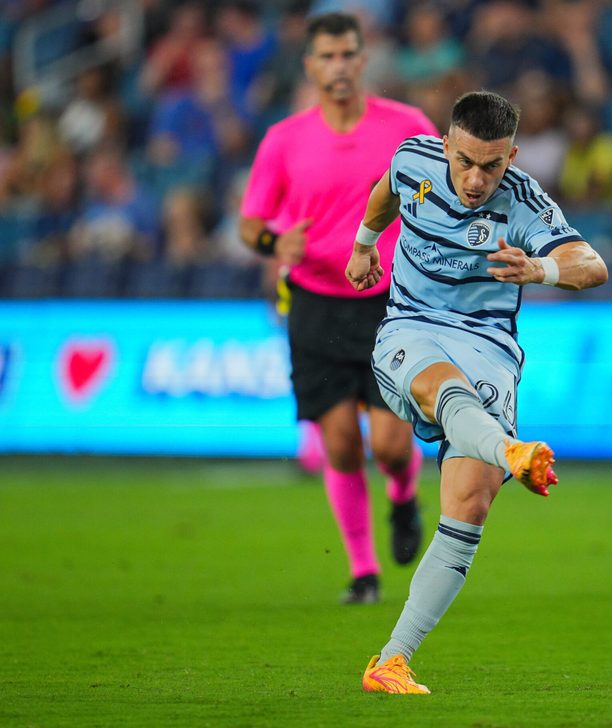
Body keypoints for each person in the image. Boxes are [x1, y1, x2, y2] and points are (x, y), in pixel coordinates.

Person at [346, 90, 608, 694]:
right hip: (411, 328)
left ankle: (391, 661)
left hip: (488, 344)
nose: (474, 178)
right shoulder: (413, 161)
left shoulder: (524, 203)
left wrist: (539, 269)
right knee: (445, 388)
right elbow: (386, 190)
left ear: (511, 156)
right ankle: (511, 449)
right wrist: (364, 244)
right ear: (446, 144)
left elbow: (591, 265)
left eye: (491, 165)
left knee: (469, 504)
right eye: (464, 160)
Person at [239, 13, 437, 604]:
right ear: (310, 65)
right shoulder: (284, 139)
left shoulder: (406, 125)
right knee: (343, 446)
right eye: (327, 57)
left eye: (349, 54)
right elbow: (250, 225)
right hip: (316, 304)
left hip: (391, 303)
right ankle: (363, 571)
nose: (340, 66)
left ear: (363, 58)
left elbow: (444, 187)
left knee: (393, 446)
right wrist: (278, 244)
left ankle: (403, 498)